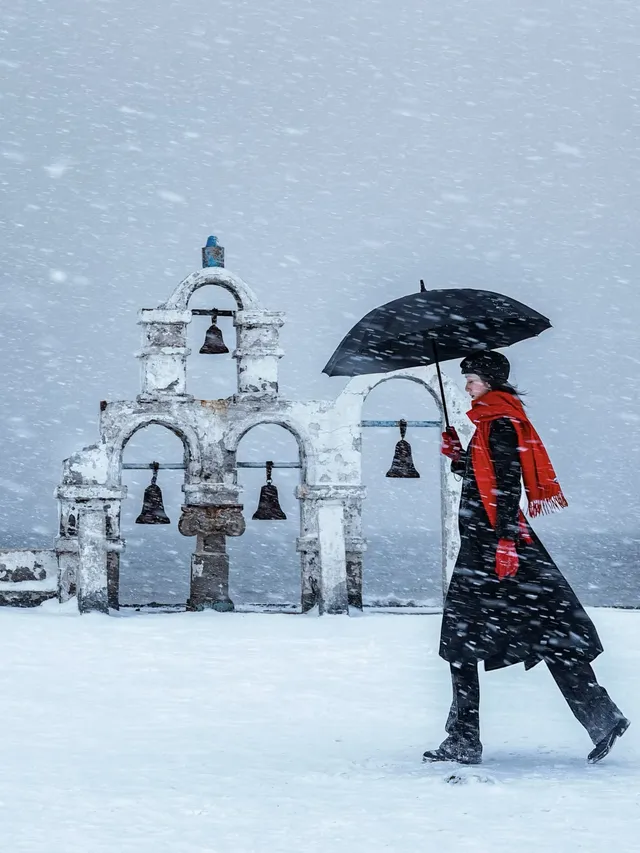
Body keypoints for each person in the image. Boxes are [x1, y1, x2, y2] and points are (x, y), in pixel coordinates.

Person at [423, 350, 629, 766]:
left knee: (461, 641)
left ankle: (464, 739)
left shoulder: (498, 421)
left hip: (492, 547)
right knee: (548, 625)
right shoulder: (492, 421)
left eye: (472, 379)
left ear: (491, 381)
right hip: (499, 542)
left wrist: (503, 542)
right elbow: (488, 476)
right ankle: (601, 715)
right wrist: (459, 457)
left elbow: (505, 484)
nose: (467, 386)